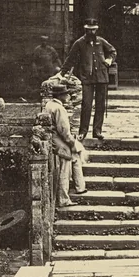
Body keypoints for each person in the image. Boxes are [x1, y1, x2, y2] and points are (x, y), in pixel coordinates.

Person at [63, 18, 116, 141]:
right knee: (86, 104)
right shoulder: (79, 43)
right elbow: (70, 59)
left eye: (93, 30)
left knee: (100, 105)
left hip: (102, 78)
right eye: (89, 30)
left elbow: (113, 51)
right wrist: (62, 73)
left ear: (96, 30)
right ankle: (83, 131)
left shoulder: (101, 42)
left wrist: (109, 60)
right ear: (85, 29)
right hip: (87, 78)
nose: (91, 33)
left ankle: (97, 131)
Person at [41, 79, 87, 207]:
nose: (68, 96)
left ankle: (80, 187)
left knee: (76, 158)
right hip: (60, 142)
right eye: (66, 94)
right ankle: (64, 198)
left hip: (53, 139)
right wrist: (73, 143)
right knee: (65, 169)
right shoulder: (59, 109)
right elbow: (64, 132)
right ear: (60, 96)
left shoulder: (49, 105)